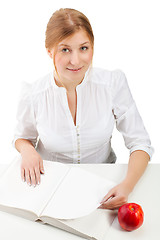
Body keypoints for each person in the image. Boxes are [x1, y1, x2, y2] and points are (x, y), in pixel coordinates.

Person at [13, 8, 153, 210]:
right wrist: (27, 150)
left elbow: (140, 142)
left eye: (83, 48)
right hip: (50, 187)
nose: (76, 61)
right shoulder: (33, 94)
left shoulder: (113, 84)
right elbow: (22, 137)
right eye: (65, 50)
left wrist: (126, 186)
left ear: (93, 48)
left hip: (102, 187)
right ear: (49, 51)